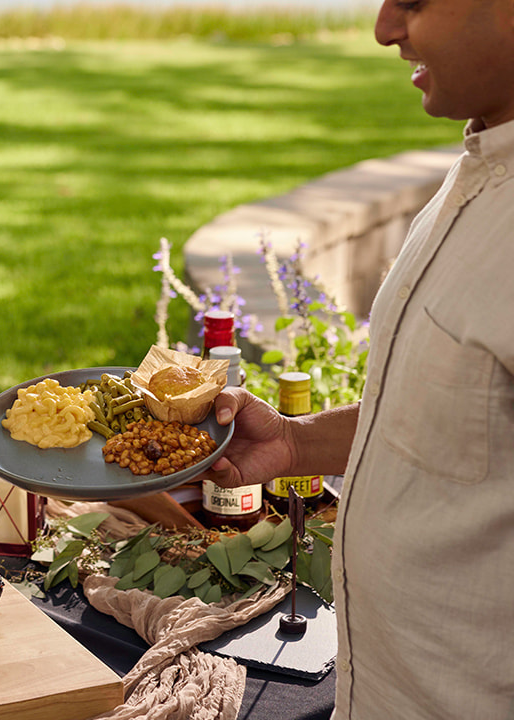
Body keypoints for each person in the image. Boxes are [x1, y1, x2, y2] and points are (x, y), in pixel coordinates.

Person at [200, 0, 514, 716]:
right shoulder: (477, 168)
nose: (384, 29)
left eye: (413, 2)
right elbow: (454, 416)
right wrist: (294, 442)